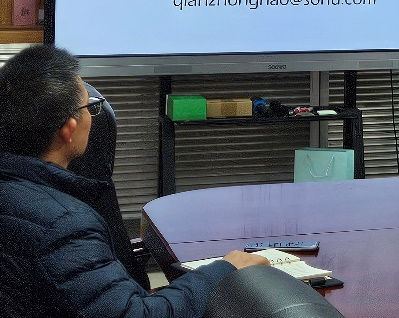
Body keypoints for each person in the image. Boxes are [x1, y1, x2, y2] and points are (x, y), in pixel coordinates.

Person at [0, 44, 268, 318]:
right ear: (69, 128)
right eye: (91, 107)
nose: (93, 116)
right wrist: (224, 271)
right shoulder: (64, 225)